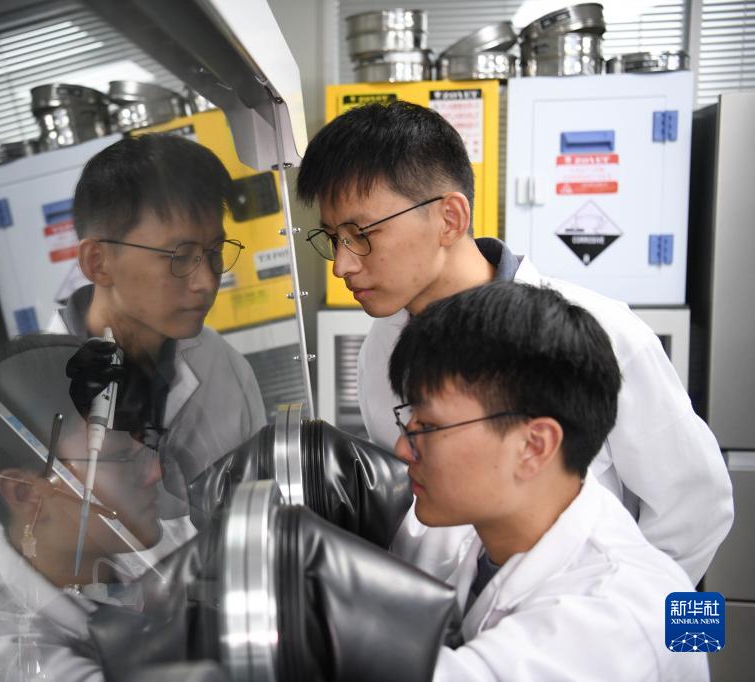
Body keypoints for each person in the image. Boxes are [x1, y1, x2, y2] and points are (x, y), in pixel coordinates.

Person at [295, 101, 732, 585]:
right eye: (332, 238)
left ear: (449, 218)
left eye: (360, 234)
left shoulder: (603, 335)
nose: (342, 266)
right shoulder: (381, 347)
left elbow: (698, 511)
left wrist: (650, 627)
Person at [389, 281, 708, 681]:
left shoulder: (615, 619)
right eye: (409, 422)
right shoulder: (495, 540)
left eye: (428, 427)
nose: (402, 449)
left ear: (533, 446)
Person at [0, 336, 165, 682]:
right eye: (123, 457)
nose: (156, 472)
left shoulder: (115, 543)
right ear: (26, 494)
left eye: (149, 444)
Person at [61, 134, 267, 518]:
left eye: (215, 252)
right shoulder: (27, 395)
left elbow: (258, 511)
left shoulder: (223, 366)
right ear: (98, 262)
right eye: (180, 256)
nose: (207, 281)